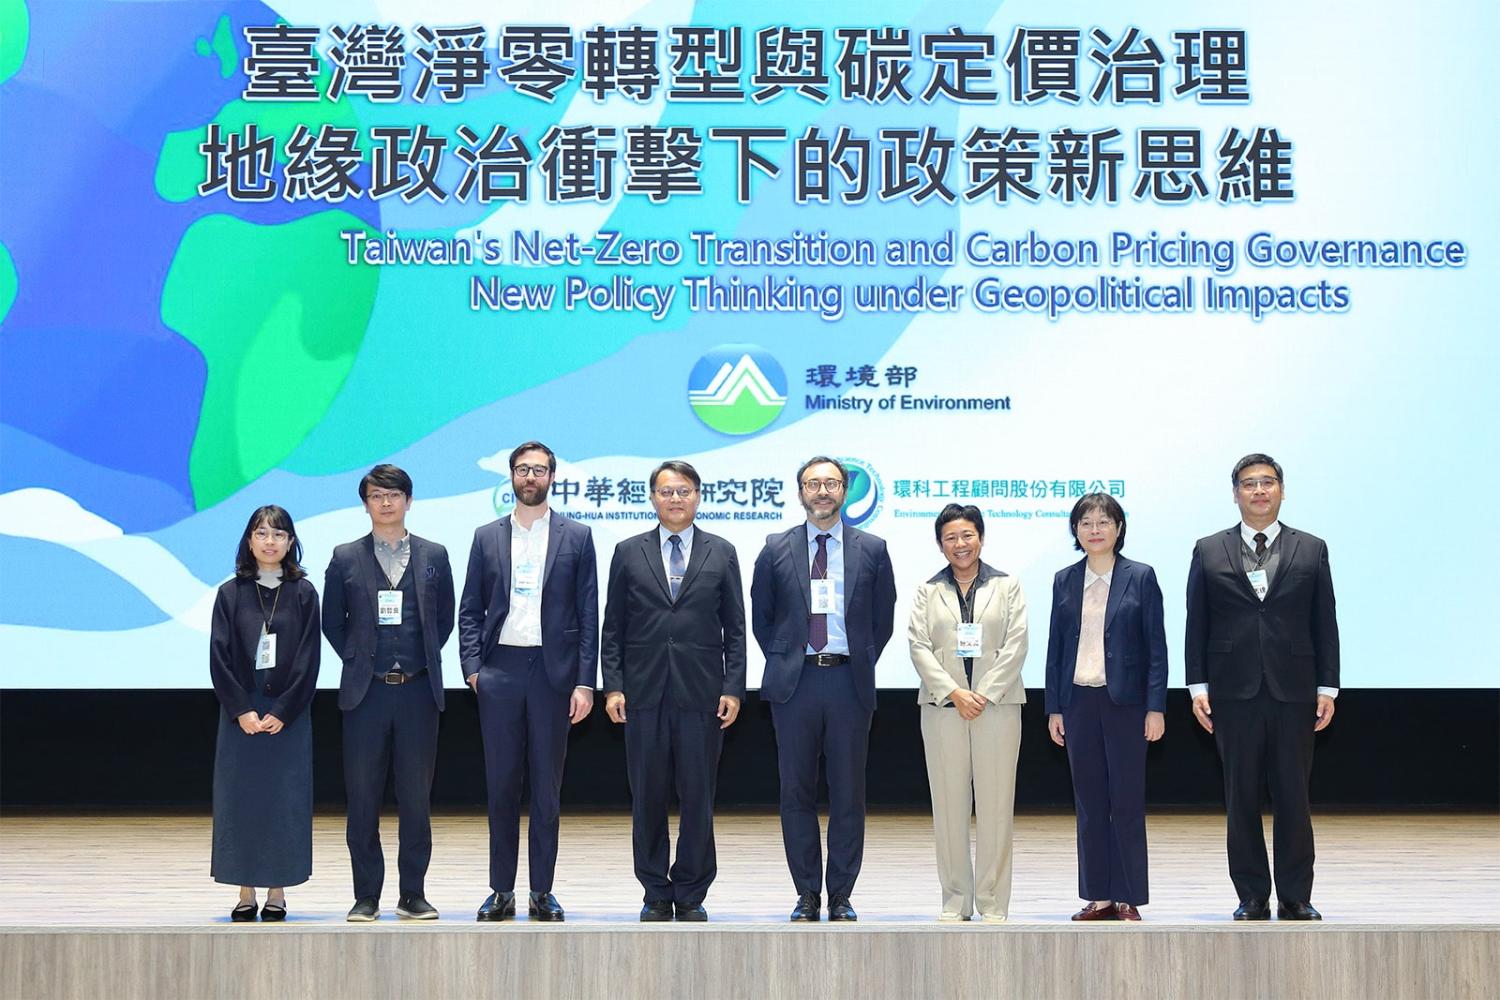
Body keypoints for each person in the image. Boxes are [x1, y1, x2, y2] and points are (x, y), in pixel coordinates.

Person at [1186, 453, 1340, 921]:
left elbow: (1324, 622)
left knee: (1294, 795)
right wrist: (1196, 686)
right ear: (1235, 493)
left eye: (1267, 482)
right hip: (1232, 693)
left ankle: (1296, 896)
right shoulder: (1208, 549)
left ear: (1281, 490)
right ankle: (1251, 894)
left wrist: (1328, 687)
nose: (1259, 491)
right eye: (1249, 484)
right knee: (1241, 798)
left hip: (1294, 691)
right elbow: (1198, 622)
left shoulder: (1311, 548)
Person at [751, 456, 897, 922]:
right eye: (813, 484)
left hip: (848, 683)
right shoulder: (776, 547)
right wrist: (786, 656)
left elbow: (883, 618)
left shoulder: (872, 548)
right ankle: (807, 893)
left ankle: (841, 894)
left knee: (848, 792)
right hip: (795, 684)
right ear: (800, 492)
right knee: (795, 791)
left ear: (845, 490)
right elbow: (762, 616)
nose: (822, 492)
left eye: (831, 483)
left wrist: (857, 660)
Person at [601, 460, 747, 922]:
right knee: (647, 794)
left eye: (684, 490)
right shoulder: (628, 551)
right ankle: (654, 890)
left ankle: (691, 890)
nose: (676, 498)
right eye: (666, 491)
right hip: (642, 693)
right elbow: (613, 627)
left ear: (698, 495)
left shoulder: (721, 552)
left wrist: (734, 687)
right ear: (652, 497)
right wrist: (613, 687)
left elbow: (736, 630)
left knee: (698, 795)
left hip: (703, 693)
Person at [460, 441, 598, 923]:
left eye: (539, 469)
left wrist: (585, 682)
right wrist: (474, 669)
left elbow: (587, 613)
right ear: (511, 477)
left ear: (552, 477)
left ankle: (542, 890)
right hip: (500, 672)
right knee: (501, 786)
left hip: (553, 674)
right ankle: (501, 890)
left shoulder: (577, 536)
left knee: (546, 788)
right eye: (523, 469)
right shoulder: (486, 536)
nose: (530, 477)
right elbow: (471, 609)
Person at [323, 464, 456, 922]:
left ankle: (412, 893)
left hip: (419, 694)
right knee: (362, 799)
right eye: (377, 495)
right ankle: (366, 896)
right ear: (365, 504)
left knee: (416, 800)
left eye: (394, 495)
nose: (386, 503)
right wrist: (361, 660)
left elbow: (444, 620)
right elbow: (331, 623)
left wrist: (415, 660)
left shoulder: (434, 554)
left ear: (408, 500)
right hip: (366, 695)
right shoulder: (344, 557)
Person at [1044, 493, 1167, 922]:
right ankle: (1097, 894)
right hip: (1078, 702)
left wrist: (1156, 707)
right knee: (1090, 803)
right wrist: (1054, 708)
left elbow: (1156, 649)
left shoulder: (1141, 576)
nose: (1095, 529)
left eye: (1104, 521)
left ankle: (1128, 894)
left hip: (1127, 705)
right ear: (1076, 531)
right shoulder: (1064, 579)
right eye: (1086, 522)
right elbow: (1056, 648)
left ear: (1119, 528)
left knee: (1127, 801)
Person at [908, 504, 1028, 923]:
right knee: (948, 807)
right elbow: (919, 647)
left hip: (997, 708)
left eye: (967, 535)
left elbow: (1017, 644)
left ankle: (992, 901)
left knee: (996, 807)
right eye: (950, 538)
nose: (960, 544)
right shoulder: (927, 590)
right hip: (943, 709)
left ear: (981, 537)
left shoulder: (1007, 585)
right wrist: (955, 692)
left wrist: (984, 693)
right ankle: (955, 899)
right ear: (940, 544)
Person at [209, 505, 321, 922]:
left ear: (291, 542)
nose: (269, 542)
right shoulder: (230, 593)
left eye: (278, 534)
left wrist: (283, 711)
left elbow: (309, 659)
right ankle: (244, 891)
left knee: (283, 802)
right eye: (261, 533)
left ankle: (277, 892)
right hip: (240, 714)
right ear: (249, 540)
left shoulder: (305, 593)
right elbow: (219, 658)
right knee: (241, 800)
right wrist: (241, 710)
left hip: (286, 717)